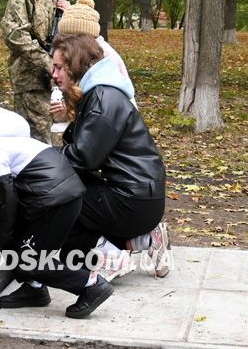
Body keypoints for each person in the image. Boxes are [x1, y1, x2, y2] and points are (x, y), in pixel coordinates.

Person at [0, 99, 112, 319]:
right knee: (19, 247)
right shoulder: (11, 142)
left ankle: (91, 284)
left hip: (51, 202)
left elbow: (3, 201)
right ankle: (34, 288)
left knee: (26, 258)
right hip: (63, 197)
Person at [51, 33, 171, 279]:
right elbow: (77, 145)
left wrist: (42, 162)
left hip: (133, 202)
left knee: (60, 193)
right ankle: (145, 240)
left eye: (59, 68)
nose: (54, 75)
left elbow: (83, 158)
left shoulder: (103, 98)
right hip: (139, 197)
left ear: (75, 65)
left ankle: (110, 257)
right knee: (67, 247)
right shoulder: (98, 93)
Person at [1, 0, 69, 143]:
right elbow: (14, 32)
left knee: (42, 140)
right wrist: (47, 61)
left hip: (44, 79)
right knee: (36, 144)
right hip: (30, 79)